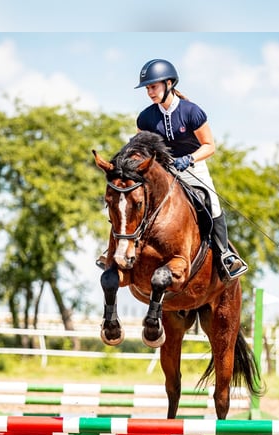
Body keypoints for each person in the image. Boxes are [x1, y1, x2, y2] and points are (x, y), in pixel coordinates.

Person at [97, 58, 247, 280]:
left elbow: (210, 146)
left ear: (169, 84)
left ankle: (225, 255)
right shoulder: (146, 117)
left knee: (212, 204)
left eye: (153, 86)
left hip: (192, 167)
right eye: (147, 88)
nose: (150, 92)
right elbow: (140, 148)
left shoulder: (191, 112)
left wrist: (189, 159)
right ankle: (113, 251)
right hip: (160, 170)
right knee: (129, 200)